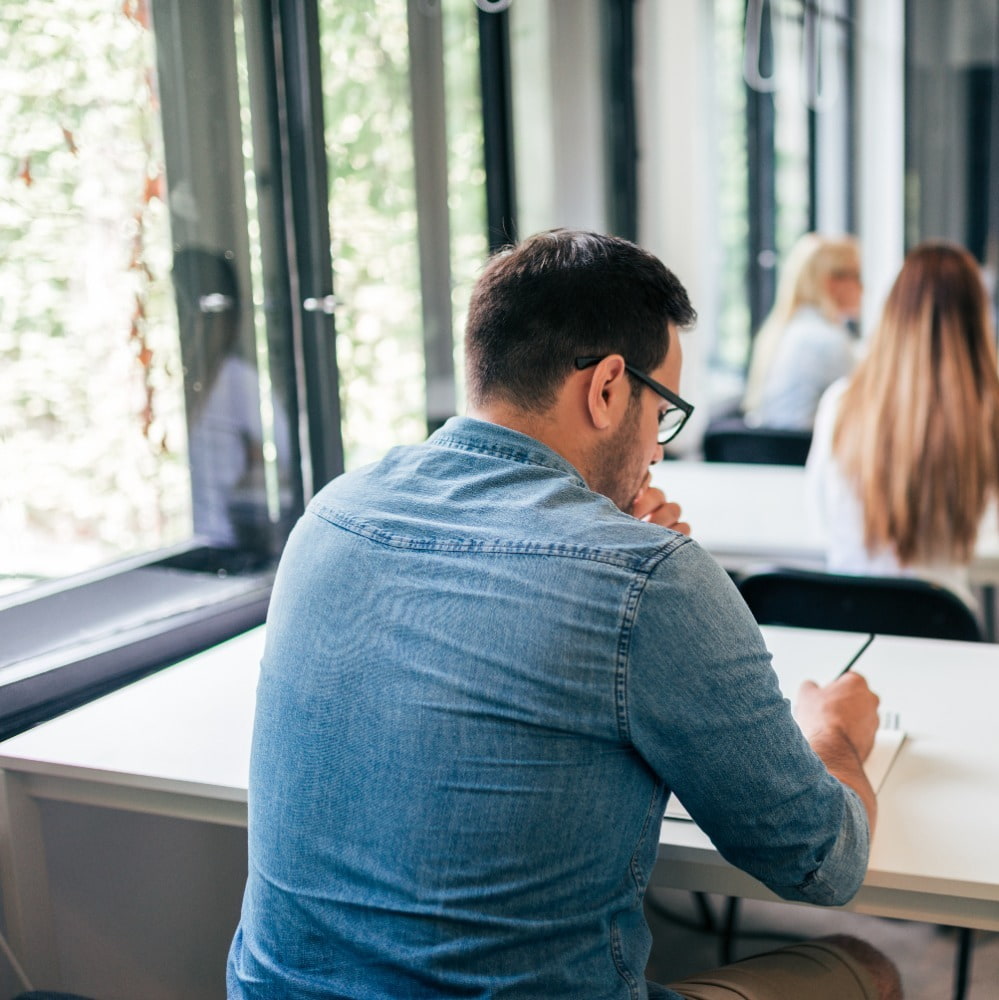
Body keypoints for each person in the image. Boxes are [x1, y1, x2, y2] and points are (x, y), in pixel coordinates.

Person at [227, 230, 901, 1000]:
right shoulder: (649, 580)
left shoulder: (330, 515)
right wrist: (835, 734)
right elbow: (822, 863)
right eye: (662, 411)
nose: (656, 449)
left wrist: (626, 572)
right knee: (866, 968)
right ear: (609, 387)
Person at [806, 240, 999, 611]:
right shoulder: (987, 414)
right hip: (943, 627)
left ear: (892, 312)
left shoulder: (842, 403)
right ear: (978, 320)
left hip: (845, 631)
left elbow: (822, 521)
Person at [172, 247, 290, 554]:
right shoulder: (219, 380)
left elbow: (284, 456)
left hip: (207, 545)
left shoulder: (232, 381)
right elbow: (284, 453)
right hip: (203, 545)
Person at [743, 232, 863, 430]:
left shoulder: (784, 331)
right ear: (833, 282)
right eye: (857, 276)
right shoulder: (828, 341)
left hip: (777, 453)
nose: (862, 287)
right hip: (804, 451)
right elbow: (865, 411)